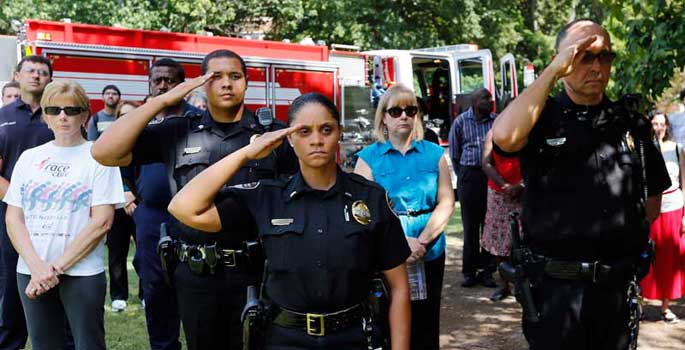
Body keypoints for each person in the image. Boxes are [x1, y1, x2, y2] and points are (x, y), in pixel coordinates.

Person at [167, 93, 411, 350]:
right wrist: (247, 153)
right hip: (284, 340)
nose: (317, 140)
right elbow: (183, 207)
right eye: (304, 131)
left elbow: (399, 288)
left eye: (326, 130)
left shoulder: (371, 199)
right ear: (290, 138)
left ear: (339, 133)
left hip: (353, 338)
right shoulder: (267, 197)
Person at [91, 49, 297, 350]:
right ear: (201, 84)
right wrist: (163, 99)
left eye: (235, 76)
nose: (226, 83)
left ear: (247, 82)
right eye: (216, 77)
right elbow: (103, 152)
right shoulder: (179, 131)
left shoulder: (271, 135)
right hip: (198, 271)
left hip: (259, 271)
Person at [491, 19, 670, 349]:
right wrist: (552, 72)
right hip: (556, 291)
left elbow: (652, 199)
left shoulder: (630, 122)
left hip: (615, 289)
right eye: (584, 57)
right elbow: (503, 138)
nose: (597, 66)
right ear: (561, 60)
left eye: (605, 57)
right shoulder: (540, 117)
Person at [3, 80, 124, 350]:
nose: (62, 116)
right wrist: (36, 267)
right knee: (44, 345)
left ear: (84, 115)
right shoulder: (29, 158)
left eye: (71, 110)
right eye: (54, 109)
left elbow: (102, 221)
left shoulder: (100, 157)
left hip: (81, 272)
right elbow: (14, 218)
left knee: (88, 344)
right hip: (31, 270)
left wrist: (53, 269)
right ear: (45, 116)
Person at [354, 84, 453, 350]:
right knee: (385, 320)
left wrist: (422, 240)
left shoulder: (434, 154)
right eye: (396, 111)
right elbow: (364, 212)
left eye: (410, 110)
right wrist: (401, 243)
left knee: (427, 320)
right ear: (383, 117)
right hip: (386, 251)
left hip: (428, 249)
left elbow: (446, 201)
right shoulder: (367, 158)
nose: (404, 117)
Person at [0, 55, 56, 350]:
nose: (36, 75)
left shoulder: (60, 115)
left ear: (50, 79)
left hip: (57, 213)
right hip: (12, 212)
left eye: (43, 72)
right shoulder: (2, 116)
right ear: (17, 76)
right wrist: (18, 199)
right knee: (12, 283)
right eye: (30, 71)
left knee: (56, 273)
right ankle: (10, 343)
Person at [86, 85, 139, 312]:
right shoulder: (111, 145)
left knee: (145, 253)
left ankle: (146, 293)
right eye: (122, 117)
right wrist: (124, 194)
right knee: (117, 252)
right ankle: (119, 296)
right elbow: (106, 171)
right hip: (117, 203)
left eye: (131, 116)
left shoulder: (150, 143)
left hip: (140, 205)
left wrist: (136, 196)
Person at [448, 88, 498, 288]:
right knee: (470, 227)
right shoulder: (460, 122)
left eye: (490, 98)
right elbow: (454, 152)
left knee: (489, 225)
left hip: (491, 176)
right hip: (469, 176)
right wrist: (464, 176)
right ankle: (469, 273)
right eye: (485, 99)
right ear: (475, 102)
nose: (490, 101)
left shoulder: (496, 121)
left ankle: (487, 272)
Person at [640, 113, 685, 323]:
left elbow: (684, 182)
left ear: (667, 126)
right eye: (655, 123)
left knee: (670, 259)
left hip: (674, 207)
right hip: (650, 209)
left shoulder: (677, 149)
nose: (658, 127)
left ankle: (666, 308)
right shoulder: (642, 149)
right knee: (644, 256)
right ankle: (638, 304)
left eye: (661, 124)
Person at [480, 129, 523, 301]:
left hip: (524, 192)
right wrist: (504, 185)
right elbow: (486, 162)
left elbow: (538, 163)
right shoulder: (494, 133)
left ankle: (522, 284)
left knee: (523, 239)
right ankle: (503, 284)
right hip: (499, 192)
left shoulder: (528, 132)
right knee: (499, 240)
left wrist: (521, 185)